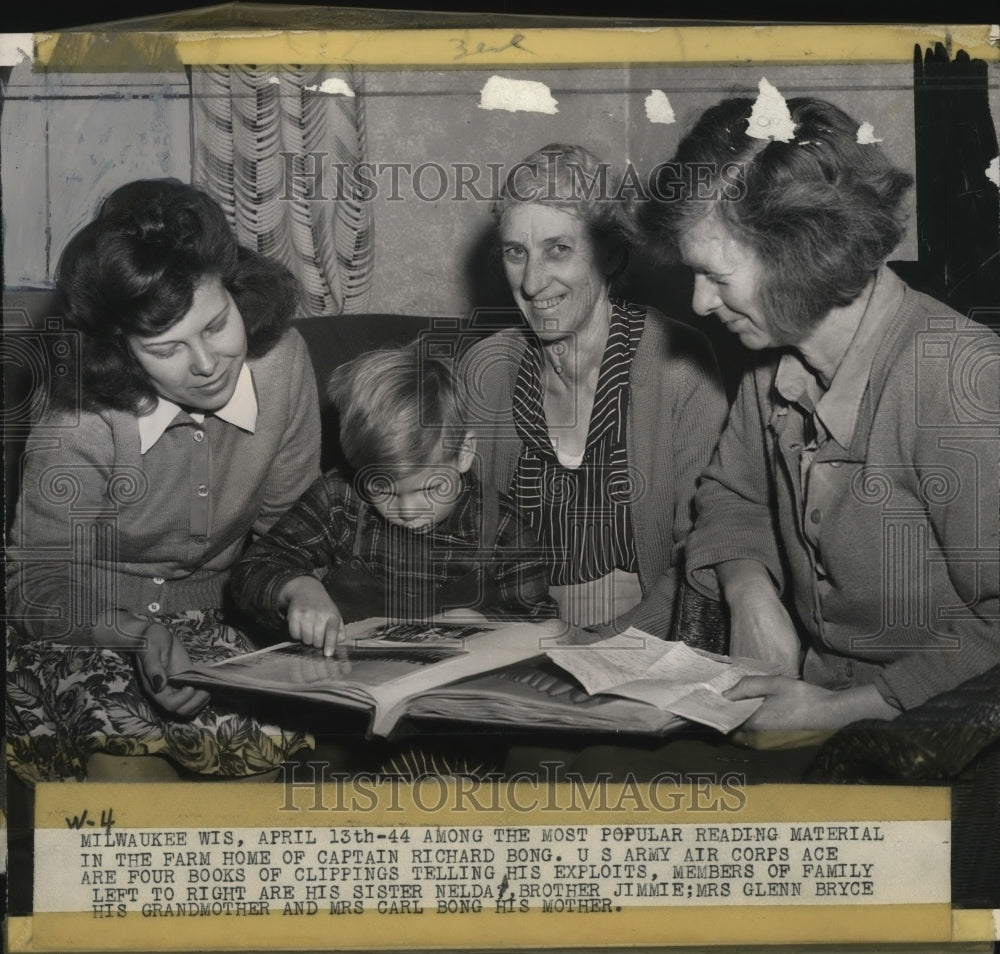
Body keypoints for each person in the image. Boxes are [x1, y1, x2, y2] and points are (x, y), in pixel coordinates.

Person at [639, 95, 1000, 739]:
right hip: (811, 703)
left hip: (948, 733)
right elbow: (732, 497)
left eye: (717, 276)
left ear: (804, 255)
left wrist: (837, 713)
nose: (699, 302)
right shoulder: (773, 361)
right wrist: (749, 592)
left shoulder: (960, 380)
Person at [6, 179, 321, 780]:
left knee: (261, 788)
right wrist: (134, 632)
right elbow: (36, 583)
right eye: (166, 348)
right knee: (127, 778)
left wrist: (295, 586)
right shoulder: (79, 415)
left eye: (216, 324)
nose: (206, 364)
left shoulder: (281, 363)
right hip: (87, 628)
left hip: (218, 623)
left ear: (236, 291)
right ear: (121, 350)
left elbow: (294, 531)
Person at [461, 143, 728, 639]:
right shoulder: (486, 370)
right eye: (516, 253)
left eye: (558, 250)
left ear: (611, 253)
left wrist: (597, 645)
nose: (532, 283)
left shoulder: (679, 366)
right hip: (516, 643)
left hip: (644, 645)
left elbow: (706, 554)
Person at [230, 340, 559, 654]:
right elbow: (252, 568)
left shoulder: (502, 526)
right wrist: (297, 588)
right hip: (351, 678)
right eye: (381, 489)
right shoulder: (340, 498)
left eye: (428, 489)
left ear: (463, 453)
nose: (407, 510)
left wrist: (484, 625)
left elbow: (542, 620)